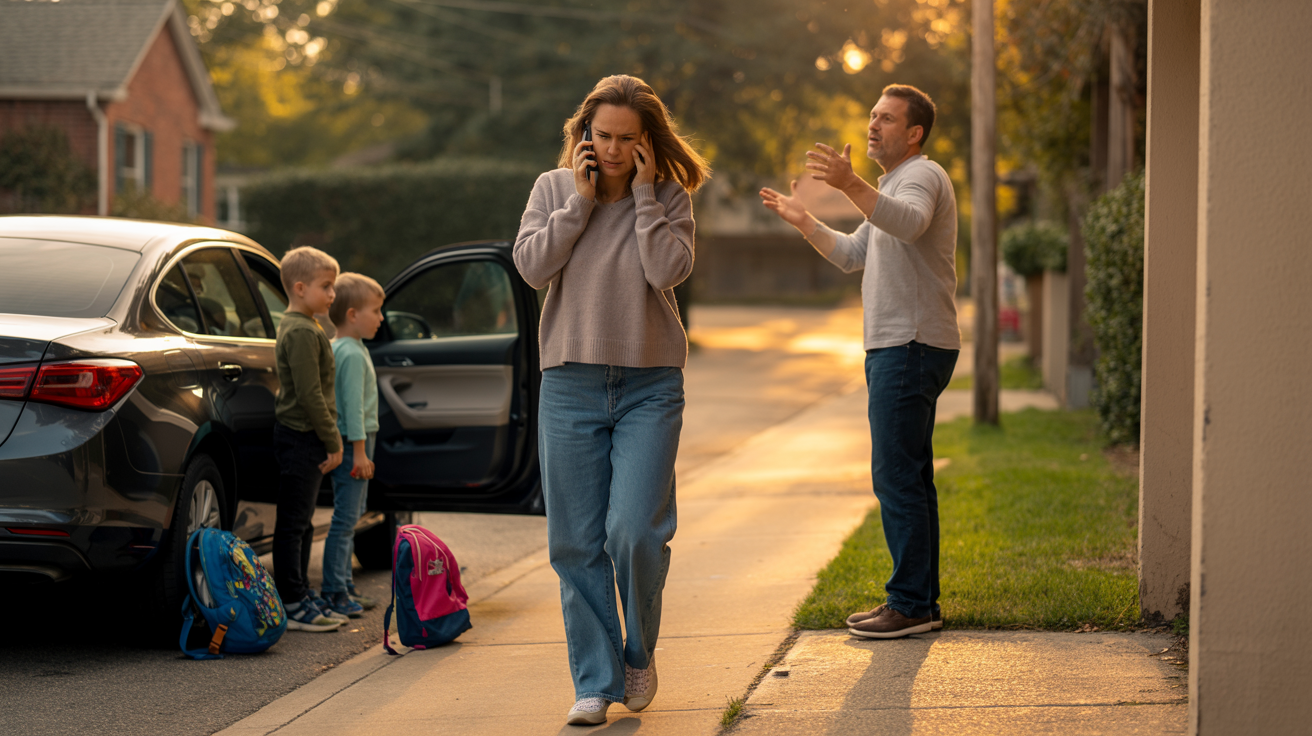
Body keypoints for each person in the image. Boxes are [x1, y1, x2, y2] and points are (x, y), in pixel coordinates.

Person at [513, 74, 711, 726]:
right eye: (605, 136)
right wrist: (579, 203)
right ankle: (596, 683)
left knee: (635, 533)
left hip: (651, 383)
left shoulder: (672, 198)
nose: (616, 148)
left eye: (629, 138)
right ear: (585, 135)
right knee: (574, 542)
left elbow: (665, 271)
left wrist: (647, 197)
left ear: (648, 141)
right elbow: (533, 267)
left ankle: (638, 651)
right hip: (569, 382)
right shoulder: (550, 189)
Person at [759, 84, 960, 639]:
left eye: (887, 118)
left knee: (896, 476)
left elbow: (911, 222)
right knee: (910, 477)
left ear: (914, 133)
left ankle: (911, 604)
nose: (873, 125)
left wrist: (849, 183)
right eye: (872, 115)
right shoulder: (892, 185)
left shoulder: (922, 176)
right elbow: (853, 254)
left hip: (911, 345)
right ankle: (917, 600)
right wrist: (805, 220)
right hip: (900, 347)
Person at [273, 246, 345, 632]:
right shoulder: (301, 331)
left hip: (305, 435)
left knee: (303, 523)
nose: (332, 294)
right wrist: (332, 439)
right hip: (302, 436)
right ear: (300, 288)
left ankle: (300, 592)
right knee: (294, 522)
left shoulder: (306, 325)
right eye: (326, 286)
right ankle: (292, 598)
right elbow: (309, 393)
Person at [320, 273, 387, 618]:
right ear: (351, 315)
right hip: (353, 442)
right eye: (375, 311)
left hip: (352, 440)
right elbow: (352, 407)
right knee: (346, 519)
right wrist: (359, 452)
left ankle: (344, 586)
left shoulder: (346, 348)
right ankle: (334, 590)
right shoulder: (351, 354)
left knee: (349, 517)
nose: (381, 318)